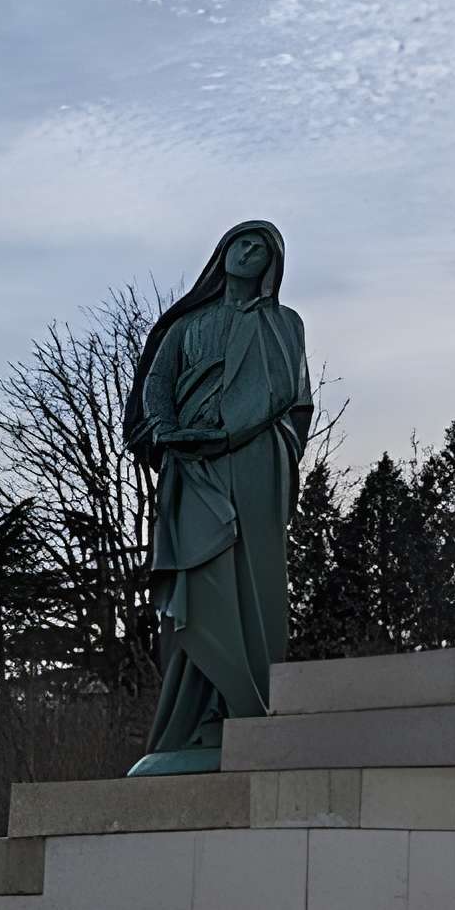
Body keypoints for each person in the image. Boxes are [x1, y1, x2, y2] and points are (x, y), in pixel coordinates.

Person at [123, 221, 312, 776]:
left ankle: (249, 711)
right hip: (193, 469)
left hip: (253, 463)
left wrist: (227, 433)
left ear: (272, 267)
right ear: (222, 252)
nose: (249, 252)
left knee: (253, 583)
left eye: (262, 248)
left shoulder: (284, 323)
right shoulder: (188, 326)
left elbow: (286, 393)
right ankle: (191, 723)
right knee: (198, 587)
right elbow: (157, 387)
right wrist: (167, 430)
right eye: (241, 242)